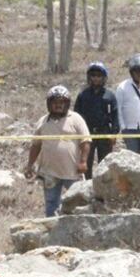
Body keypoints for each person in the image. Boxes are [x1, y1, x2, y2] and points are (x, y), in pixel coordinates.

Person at [26, 86, 91, 217]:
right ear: (49, 104)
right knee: (51, 203)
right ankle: (51, 229)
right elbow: (36, 145)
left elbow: (86, 141)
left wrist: (83, 161)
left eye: (62, 102)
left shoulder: (76, 118)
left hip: (72, 171)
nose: (58, 105)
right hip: (49, 172)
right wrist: (30, 165)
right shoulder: (43, 121)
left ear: (67, 104)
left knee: (81, 202)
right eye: (55, 103)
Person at [73, 61, 118, 178]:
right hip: (87, 133)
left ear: (104, 78)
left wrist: (114, 133)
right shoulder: (83, 95)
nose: (96, 78)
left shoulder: (110, 96)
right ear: (89, 77)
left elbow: (115, 116)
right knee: (86, 161)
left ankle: (104, 188)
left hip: (105, 134)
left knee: (105, 163)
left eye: (99, 76)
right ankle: (87, 186)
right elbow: (76, 116)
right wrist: (77, 134)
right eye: (93, 75)